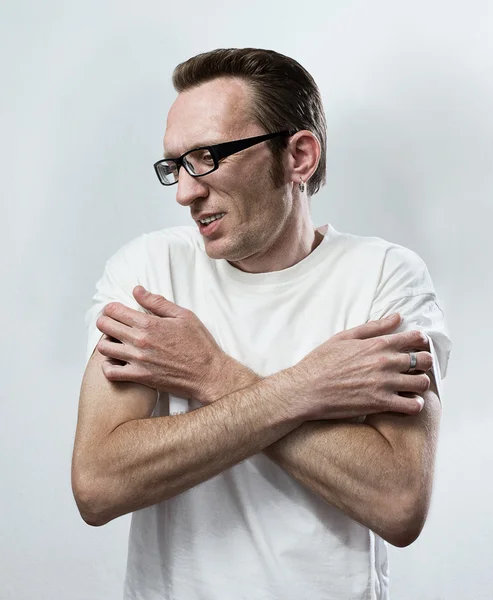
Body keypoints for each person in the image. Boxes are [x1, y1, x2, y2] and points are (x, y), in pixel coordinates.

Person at [71, 48, 452, 600]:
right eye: (175, 164)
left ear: (298, 156)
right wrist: (306, 387)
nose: (185, 191)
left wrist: (212, 374)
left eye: (207, 156)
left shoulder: (385, 278)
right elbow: (99, 485)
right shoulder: (148, 273)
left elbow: (398, 504)